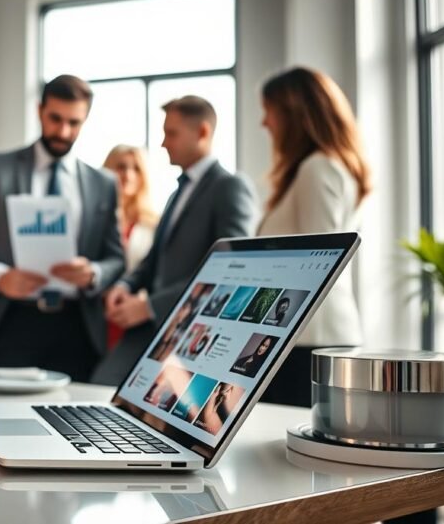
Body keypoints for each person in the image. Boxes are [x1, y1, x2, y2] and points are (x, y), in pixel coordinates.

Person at [0, 74, 125, 381]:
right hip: (5, 321)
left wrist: (93, 272)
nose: (63, 131)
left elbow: (116, 258)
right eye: (55, 119)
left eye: (74, 123)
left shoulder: (103, 183)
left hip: (77, 328)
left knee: (74, 423)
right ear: (40, 111)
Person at [93, 95, 257, 385]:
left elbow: (233, 267)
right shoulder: (176, 194)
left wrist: (149, 306)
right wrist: (124, 285)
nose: (163, 143)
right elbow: (154, 259)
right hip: (151, 327)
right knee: (102, 387)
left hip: (193, 330)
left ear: (203, 132)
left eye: (171, 133)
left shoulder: (230, 187)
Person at [255, 67, 372, 407]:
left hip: (308, 339)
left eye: (270, 112)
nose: (265, 123)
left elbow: (318, 263)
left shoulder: (317, 169)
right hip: (313, 335)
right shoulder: (330, 166)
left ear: (295, 115)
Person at [102, 145, 159, 350]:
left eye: (136, 169)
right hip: (98, 317)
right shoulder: (95, 221)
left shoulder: (154, 225)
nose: (128, 175)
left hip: (136, 317)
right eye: (120, 167)